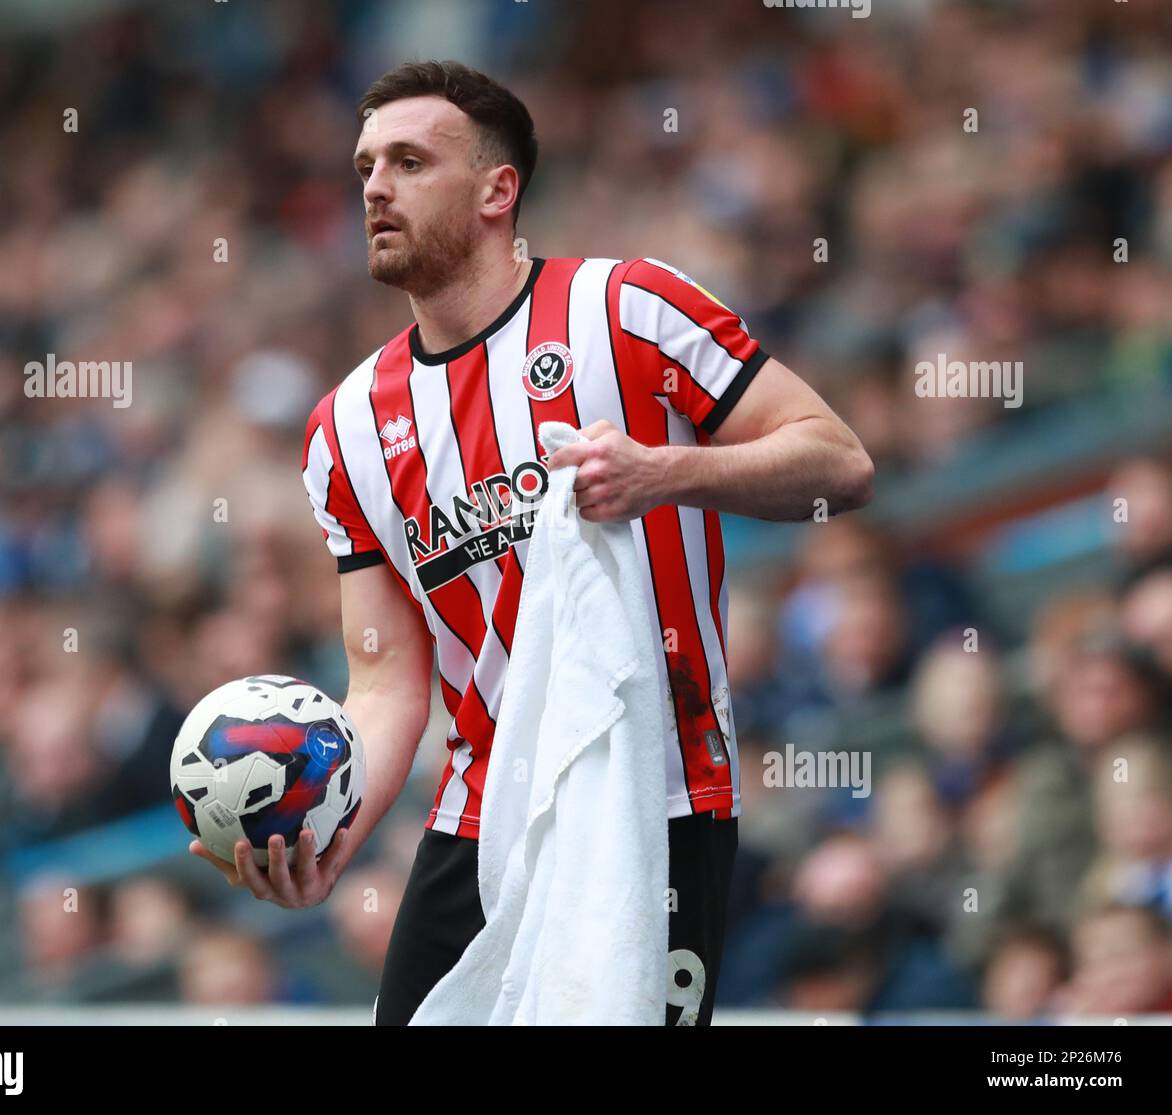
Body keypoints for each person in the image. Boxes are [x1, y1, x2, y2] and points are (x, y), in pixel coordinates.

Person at [190, 59, 873, 1026]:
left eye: (410, 161)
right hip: (481, 816)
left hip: (660, 797)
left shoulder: (627, 308)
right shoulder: (341, 429)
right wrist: (333, 830)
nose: (376, 186)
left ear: (496, 190)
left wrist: (662, 473)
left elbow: (838, 461)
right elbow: (385, 680)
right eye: (365, 167)